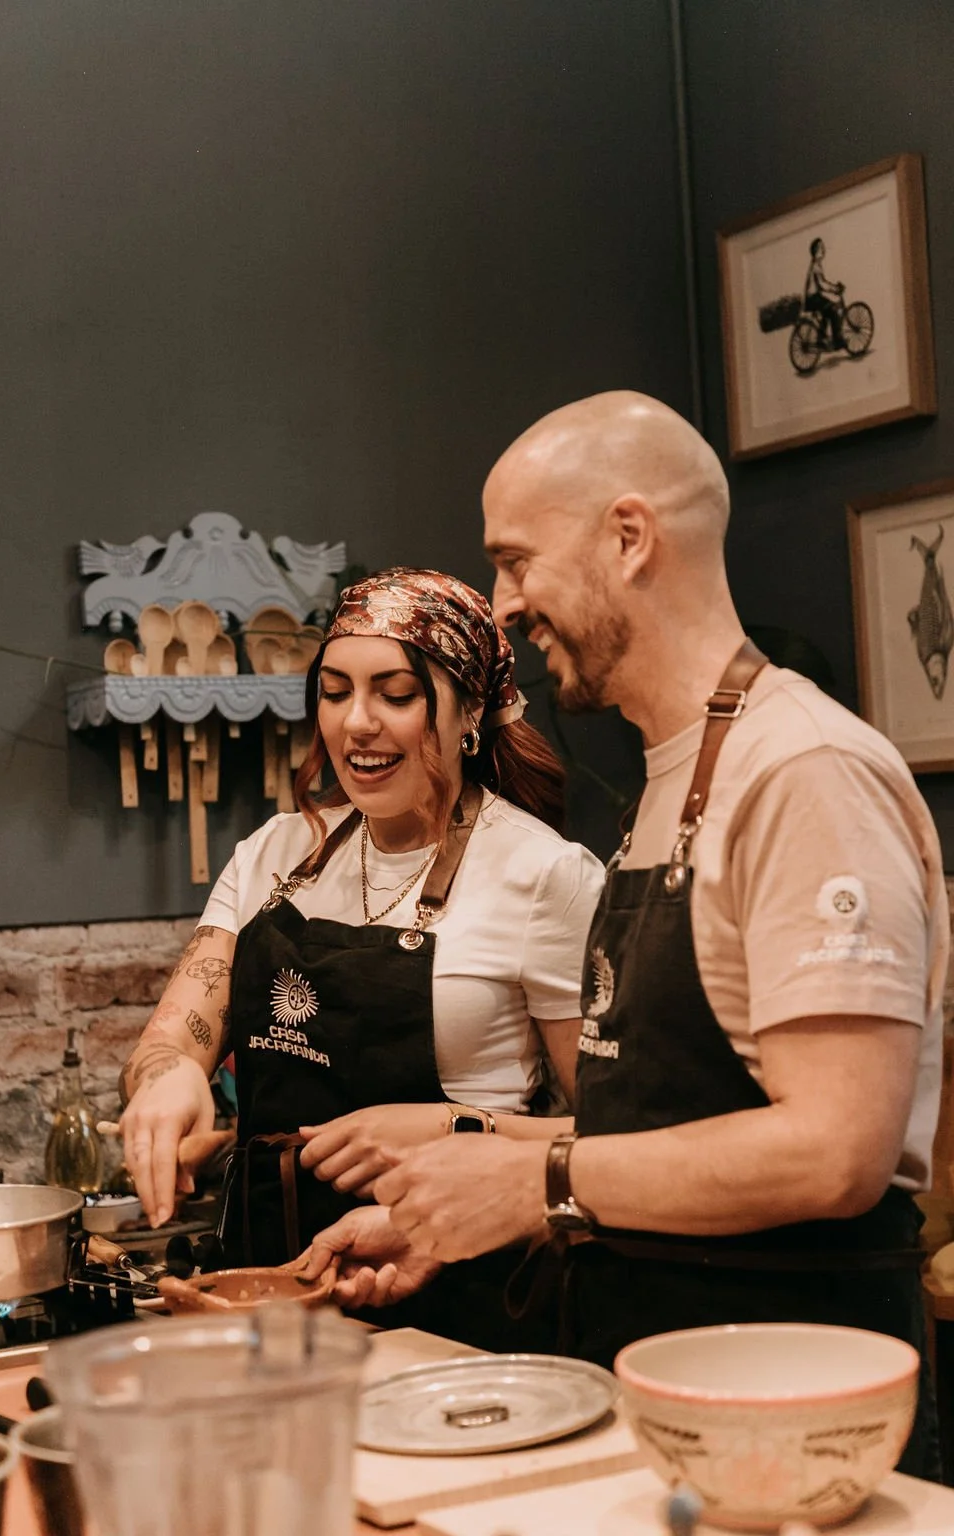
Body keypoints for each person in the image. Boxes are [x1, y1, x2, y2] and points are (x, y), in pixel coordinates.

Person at [306, 393, 948, 1479]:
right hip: (658, 1378)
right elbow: (653, 1128)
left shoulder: (801, 772)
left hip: (797, 1413)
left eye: (515, 561)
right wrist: (446, 1188)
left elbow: (838, 1151)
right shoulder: (672, 781)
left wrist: (531, 1185)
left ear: (630, 535)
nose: (503, 607)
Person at [118, 565, 604, 1346]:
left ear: (470, 709)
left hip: (462, 1291)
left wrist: (453, 1129)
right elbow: (176, 1037)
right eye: (336, 691)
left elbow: (611, 1136)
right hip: (268, 1283)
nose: (356, 723)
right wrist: (167, 1079)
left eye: (396, 694)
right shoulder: (275, 853)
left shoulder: (543, 874)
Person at [804, 236, 845, 349]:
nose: (824, 250)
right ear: (816, 251)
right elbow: (822, 284)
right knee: (832, 310)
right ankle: (837, 341)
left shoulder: (816, 264)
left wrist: (833, 287)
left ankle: (822, 337)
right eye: (821, 248)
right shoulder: (816, 266)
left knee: (827, 311)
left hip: (813, 297)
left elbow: (823, 283)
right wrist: (835, 289)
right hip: (812, 298)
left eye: (823, 248)